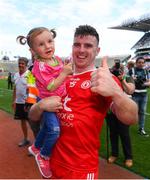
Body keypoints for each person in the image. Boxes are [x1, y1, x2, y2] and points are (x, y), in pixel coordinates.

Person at [29, 25, 138, 179]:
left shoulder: (102, 78)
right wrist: (40, 106)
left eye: (88, 46)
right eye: (77, 45)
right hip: (51, 163)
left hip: (81, 168)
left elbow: (131, 118)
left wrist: (116, 93)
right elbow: (33, 116)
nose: (81, 50)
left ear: (97, 50)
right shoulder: (60, 77)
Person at [17, 27, 72, 178]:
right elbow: (51, 86)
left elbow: (64, 76)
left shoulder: (57, 59)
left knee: (48, 128)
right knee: (54, 131)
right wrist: (65, 72)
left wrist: (67, 69)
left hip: (58, 100)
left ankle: (35, 147)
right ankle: (43, 155)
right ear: (33, 50)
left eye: (50, 41)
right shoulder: (39, 66)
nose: (48, 46)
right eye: (41, 44)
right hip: (47, 101)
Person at [106, 60, 135, 168]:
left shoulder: (128, 77)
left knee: (124, 134)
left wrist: (122, 80)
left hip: (124, 110)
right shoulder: (110, 79)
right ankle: (114, 154)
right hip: (111, 110)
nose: (118, 71)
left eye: (120, 69)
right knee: (113, 133)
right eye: (116, 69)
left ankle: (128, 157)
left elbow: (130, 90)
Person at [128, 57, 150, 137]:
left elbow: (149, 83)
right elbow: (127, 81)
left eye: (142, 62)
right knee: (133, 112)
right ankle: (127, 126)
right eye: (139, 62)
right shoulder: (132, 70)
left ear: (144, 63)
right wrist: (132, 80)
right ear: (136, 63)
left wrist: (143, 83)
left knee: (142, 112)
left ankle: (141, 129)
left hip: (144, 94)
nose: (141, 64)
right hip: (135, 94)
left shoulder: (146, 71)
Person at [12, 57, 30, 147]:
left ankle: (37, 145)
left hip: (28, 103)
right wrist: (13, 101)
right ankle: (26, 139)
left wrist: (29, 102)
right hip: (19, 103)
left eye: (22, 63)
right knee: (22, 121)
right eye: (19, 63)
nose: (20, 65)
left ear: (26, 64)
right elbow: (15, 89)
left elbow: (32, 89)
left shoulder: (30, 75)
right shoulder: (15, 75)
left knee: (33, 123)